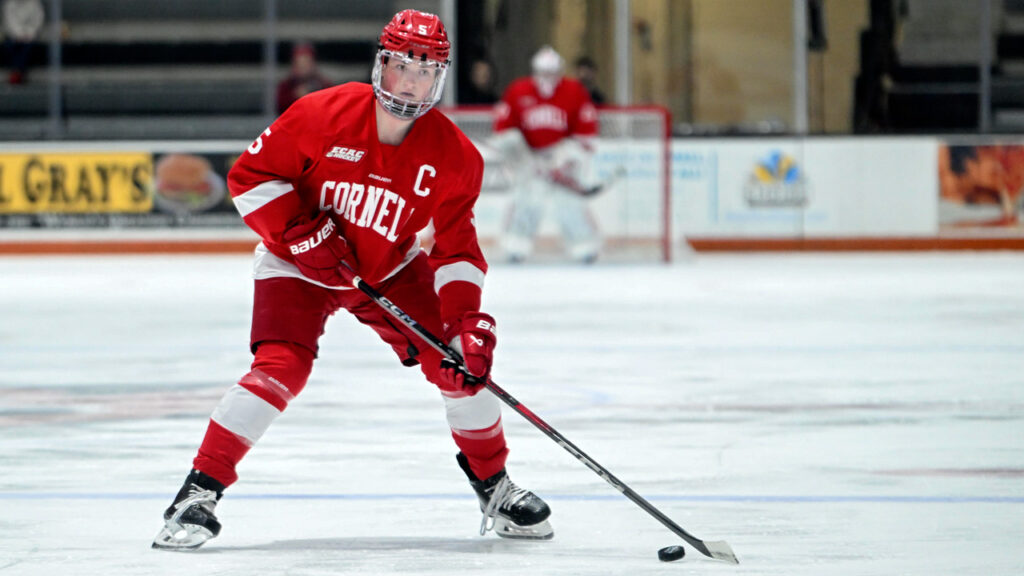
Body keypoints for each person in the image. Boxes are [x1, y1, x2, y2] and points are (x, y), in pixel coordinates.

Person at [153, 9, 553, 550]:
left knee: (459, 364)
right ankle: (197, 493)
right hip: (296, 264)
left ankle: (495, 487)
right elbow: (248, 176)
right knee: (281, 367)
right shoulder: (322, 113)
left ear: (440, 78)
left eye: (424, 72)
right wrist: (297, 234)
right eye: (401, 67)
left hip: (387, 268)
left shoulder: (456, 157)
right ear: (380, 65)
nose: (410, 83)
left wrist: (466, 321)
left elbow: (458, 249)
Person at [491, 46, 600, 263]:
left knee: (569, 202)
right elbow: (504, 133)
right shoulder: (518, 91)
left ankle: (585, 247)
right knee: (526, 200)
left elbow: (586, 134)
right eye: (543, 72)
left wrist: (564, 158)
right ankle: (515, 246)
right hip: (528, 157)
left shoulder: (575, 91)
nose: (547, 78)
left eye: (552, 73)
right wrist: (524, 159)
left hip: (562, 157)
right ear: (535, 71)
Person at [276, 41, 333, 114]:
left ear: (313, 64)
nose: (303, 67)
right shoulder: (285, 87)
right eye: (299, 63)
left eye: (306, 63)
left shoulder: (325, 85)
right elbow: (279, 107)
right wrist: (294, 97)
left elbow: (329, 108)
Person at [1, 0, 44, 85]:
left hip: (30, 35)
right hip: (13, 34)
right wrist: (19, 34)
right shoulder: (10, 3)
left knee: (27, 47)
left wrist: (29, 33)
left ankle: (16, 73)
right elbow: (9, 21)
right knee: (11, 46)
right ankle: (18, 72)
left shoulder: (35, 3)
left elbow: (38, 20)